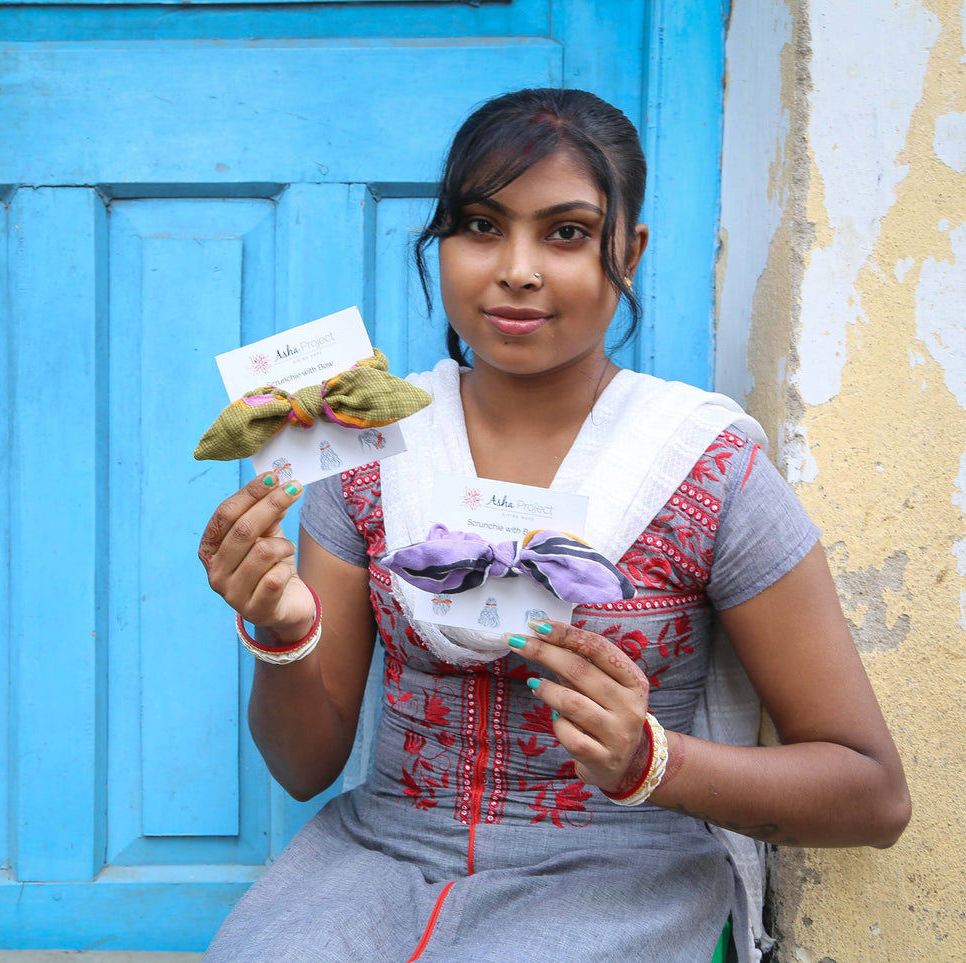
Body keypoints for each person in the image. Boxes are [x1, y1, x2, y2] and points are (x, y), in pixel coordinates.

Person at [195, 88, 910, 963]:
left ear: (629, 251)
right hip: (376, 862)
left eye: (565, 232)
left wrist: (651, 760)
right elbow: (304, 765)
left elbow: (871, 795)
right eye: (480, 226)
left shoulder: (702, 466)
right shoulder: (368, 454)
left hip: (619, 883)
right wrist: (280, 630)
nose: (517, 268)